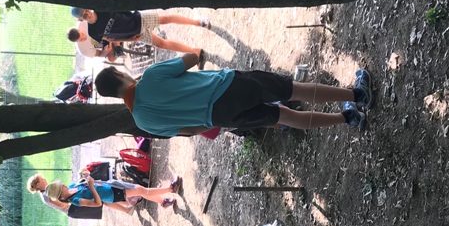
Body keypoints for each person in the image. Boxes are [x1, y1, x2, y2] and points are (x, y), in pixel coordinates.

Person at [93, 52, 374, 136]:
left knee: (284, 116)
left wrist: (210, 120)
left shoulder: (142, 121)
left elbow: (188, 131)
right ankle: (357, 94)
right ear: (118, 74)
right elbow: (192, 58)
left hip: (222, 117)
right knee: (294, 89)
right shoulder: (150, 77)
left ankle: (347, 118)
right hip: (228, 86)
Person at [28, 169, 180, 218]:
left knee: (140, 189)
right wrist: (92, 187)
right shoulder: (76, 200)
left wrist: (86, 175)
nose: (63, 184)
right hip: (111, 195)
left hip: (110, 185)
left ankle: (163, 201)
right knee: (140, 190)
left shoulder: (73, 186)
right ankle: (170, 189)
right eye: (61, 186)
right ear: (61, 192)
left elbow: (87, 181)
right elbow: (97, 203)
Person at [68, 7, 209, 59]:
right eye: (84, 15)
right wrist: (131, 39)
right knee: (161, 44)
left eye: (86, 10)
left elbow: (122, 9)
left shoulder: (101, 8)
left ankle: (198, 22)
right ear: (81, 19)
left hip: (138, 19)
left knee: (165, 19)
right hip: (135, 34)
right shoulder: (94, 32)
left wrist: (134, 14)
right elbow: (111, 39)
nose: (87, 14)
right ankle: (194, 51)